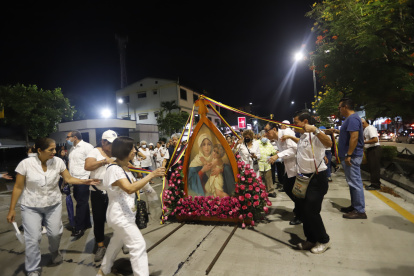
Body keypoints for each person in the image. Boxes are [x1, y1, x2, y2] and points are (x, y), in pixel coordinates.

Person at [6, 138, 99, 276]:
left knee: (55, 233)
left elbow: (68, 178)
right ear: (39, 150)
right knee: (33, 239)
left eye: (55, 149)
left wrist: (85, 181)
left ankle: (54, 252)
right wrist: (12, 209)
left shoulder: (58, 162)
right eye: (51, 149)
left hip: (53, 204)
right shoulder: (25, 164)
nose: (55, 152)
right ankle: (33, 270)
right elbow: (18, 187)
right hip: (31, 206)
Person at [97, 137, 165, 276]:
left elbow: (135, 184)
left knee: (116, 243)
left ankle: (103, 270)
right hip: (120, 216)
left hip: (126, 214)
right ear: (125, 151)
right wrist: (152, 174)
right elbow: (129, 188)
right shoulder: (114, 169)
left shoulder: (124, 167)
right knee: (138, 245)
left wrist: (150, 192)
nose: (135, 151)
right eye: (133, 148)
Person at [289, 110, 332, 254]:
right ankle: (311, 239)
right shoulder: (301, 136)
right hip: (302, 179)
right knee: (302, 210)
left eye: (296, 122)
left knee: (311, 210)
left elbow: (329, 142)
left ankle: (324, 240)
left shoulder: (316, 134)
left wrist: (316, 130)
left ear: (305, 122)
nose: (294, 125)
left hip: (316, 178)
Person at [84, 130, 117, 262]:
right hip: (97, 190)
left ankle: (120, 241)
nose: (112, 146)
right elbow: (88, 166)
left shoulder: (116, 152)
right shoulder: (95, 152)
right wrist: (104, 161)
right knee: (98, 219)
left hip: (113, 190)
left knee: (116, 217)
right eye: (110, 143)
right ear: (103, 142)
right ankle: (100, 246)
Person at [265, 122, 301, 225]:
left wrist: (278, 155)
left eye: (267, 131)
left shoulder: (287, 133)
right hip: (289, 167)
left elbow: (294, 150)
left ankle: (301, 213)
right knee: (288, 188)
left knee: (294, 191)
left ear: (274, 129)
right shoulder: (277, 139)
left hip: (297, 167)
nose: (266, 134)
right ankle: (300, 209)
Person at [337, 98, 367, 219]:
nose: (339, 110)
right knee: (352, 183)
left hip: (352, 156)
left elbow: (354, 138)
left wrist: (349, 155)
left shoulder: (353, 119)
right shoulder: (350, 119)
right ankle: (355, 206)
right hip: (350, 156)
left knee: (355, 183)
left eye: (339, 107)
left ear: (345, 107)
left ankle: (360, 210)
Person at [66, 130, 94, 237]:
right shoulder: (72, 149)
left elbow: (91, 162)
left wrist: (90, 178)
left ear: (75, 137)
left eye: (68, 137)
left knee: (81, 203)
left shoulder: (87, 147)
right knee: (81, 202)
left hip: (84, 178)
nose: (67, 139)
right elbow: (72, 164)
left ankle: (79, 228)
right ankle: (86, 223)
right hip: (74, 179)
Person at [361, 118, 382, 190]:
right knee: (372, 167)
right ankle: (374, 183)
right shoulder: (366, 129)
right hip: (370, 149)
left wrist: (363, 142)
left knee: (374, 167)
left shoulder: (370, 128)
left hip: (374, 149)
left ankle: (376, 185)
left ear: (363, 123)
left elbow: (375, 140)